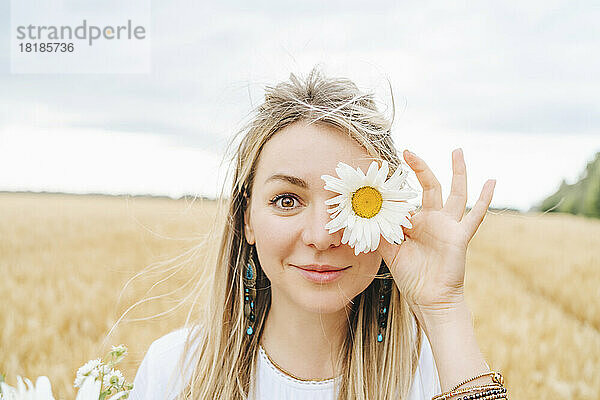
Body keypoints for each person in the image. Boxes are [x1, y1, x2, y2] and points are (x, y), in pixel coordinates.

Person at [128, 66, 504, 400]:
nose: (322, 236)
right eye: (287, 200)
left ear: (391, 214)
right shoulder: (173, 371)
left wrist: (443, 311)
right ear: (246, 218)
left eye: (351, 201)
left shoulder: (443, 374)